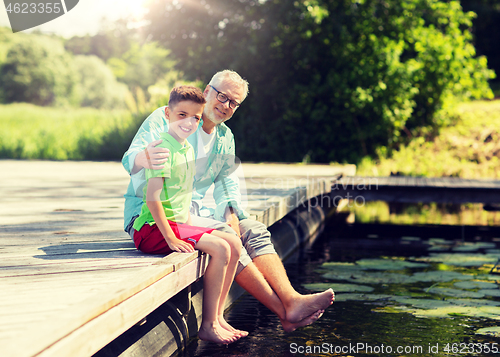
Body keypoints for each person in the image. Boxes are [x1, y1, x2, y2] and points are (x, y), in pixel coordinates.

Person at [122, 70, 334, 333]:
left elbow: (226, 181)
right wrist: (144, 157)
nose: (226, 106)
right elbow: (131, 157)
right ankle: (283, 311)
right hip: (154, 217)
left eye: (234, 103)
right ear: (207, 91)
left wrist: (231, 211)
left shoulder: (225, 137)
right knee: (227, 236)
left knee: (250, 227)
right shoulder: (175, 117)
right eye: (222, 96)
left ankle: (291, 299)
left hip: (191, 213)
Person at [131, 85, 246, 344]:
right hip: (152, 230)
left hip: (177, 224)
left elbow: (181, 198)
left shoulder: (186, 149)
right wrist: (171, 238)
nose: (189, 122)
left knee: (234, 244)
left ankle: (217, 318)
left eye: (195, 117)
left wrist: (197, 226)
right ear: (167, 113)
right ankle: (207, 325)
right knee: (221, 249)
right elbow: (153, 198)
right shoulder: (162, 148)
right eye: (182, 115)